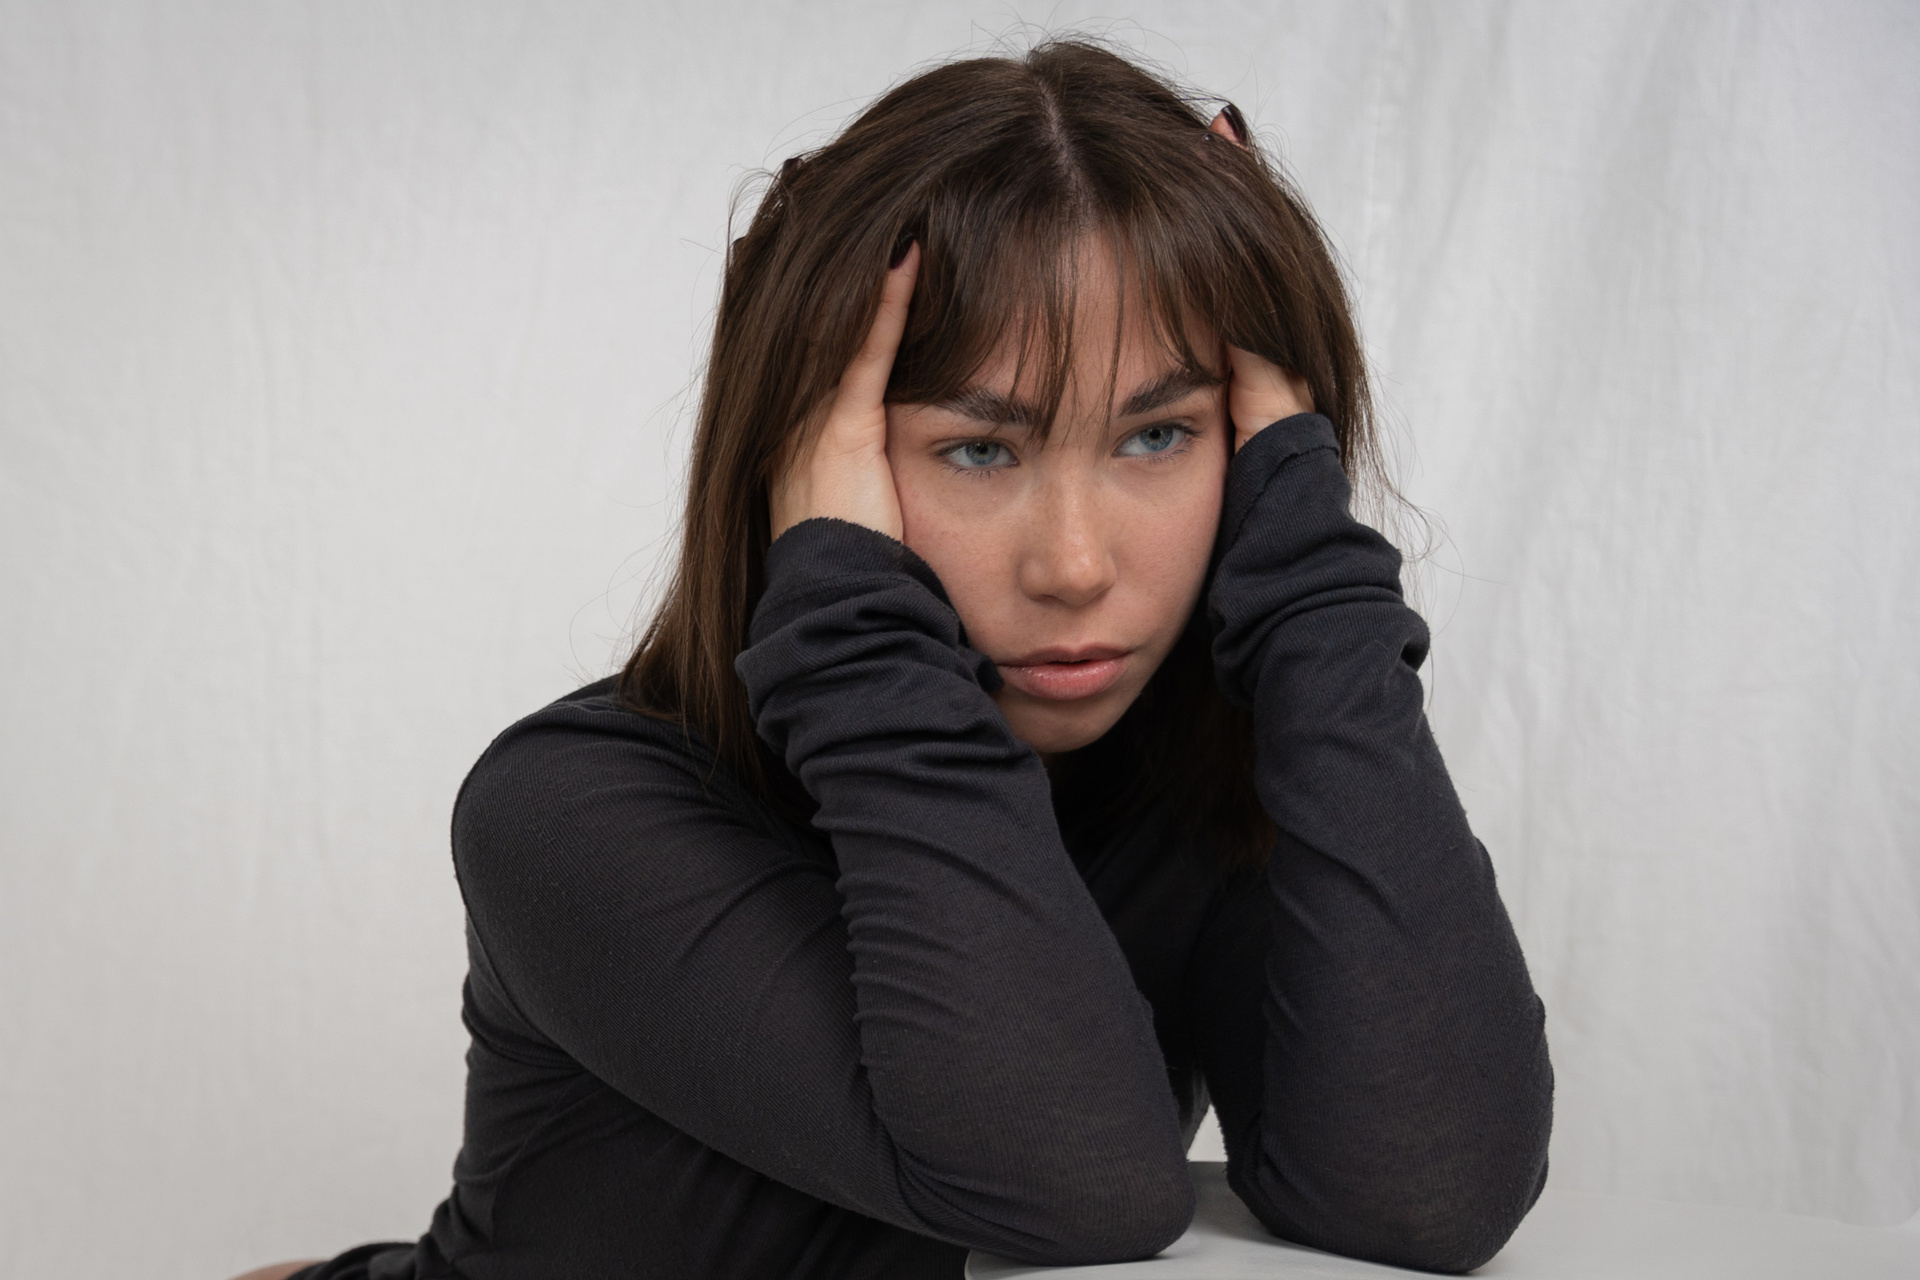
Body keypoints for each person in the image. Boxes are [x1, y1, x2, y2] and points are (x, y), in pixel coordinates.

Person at [233, 37, 1552, 1280]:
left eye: (1158, 436)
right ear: (817, 469)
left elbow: (1429, 1192)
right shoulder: (567, 812)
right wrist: (857, 638)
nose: (1075, 564)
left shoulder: (1205, 802)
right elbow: (1082, 1187)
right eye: (978, 450)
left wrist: (1314, 601)